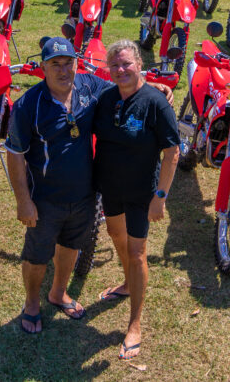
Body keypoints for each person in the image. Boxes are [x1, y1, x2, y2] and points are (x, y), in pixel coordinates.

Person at [4, 37, 108, 334]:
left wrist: (153, 90)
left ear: (77, 64)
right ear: (43, 68)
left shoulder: (89, 87)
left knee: (71, 246)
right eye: (55, 65)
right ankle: (32, 303)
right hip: (45, 199)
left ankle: (58, 292)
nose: (63, 71)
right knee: (37, 255)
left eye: (68, 63)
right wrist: (24, 202)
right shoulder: (28, 106)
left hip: (85, 195)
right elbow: (15, 154)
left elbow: (125, 90)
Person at [91, 39, 180, 360]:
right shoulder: (106, 98)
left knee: (137, 251)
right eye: (114, 65)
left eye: (126, 64)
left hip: (143, 191)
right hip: (110, 187)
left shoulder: (156, 103)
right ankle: (128, 282)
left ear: (140, 64)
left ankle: (135, 324)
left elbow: (172, 151)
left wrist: (160, 196)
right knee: (116, 235)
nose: (120, 70)